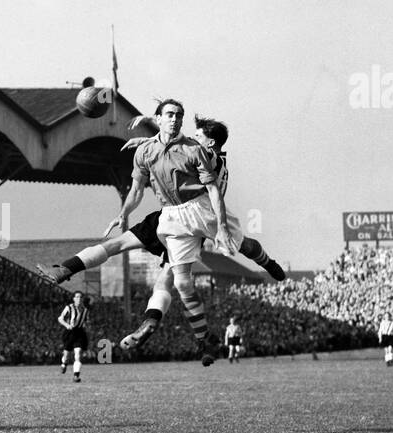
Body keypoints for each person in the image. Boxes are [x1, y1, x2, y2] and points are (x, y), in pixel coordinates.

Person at [114, 104, 284, 366]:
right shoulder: (210, 154)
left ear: (210, 141)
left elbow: (172, 145)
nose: (192, 136)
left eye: (198, 134)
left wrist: (146, 135)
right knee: (236, 250)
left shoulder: (204, 153)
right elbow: (170, 144)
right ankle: (266, 264)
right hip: (199, 219)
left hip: (200, 215)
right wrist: (149, 133)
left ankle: (155, 322)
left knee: (171, 279)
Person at [58, 291, 90, 382]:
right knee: (67, 355)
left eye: (80, 297)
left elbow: (86, 321)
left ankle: (76, 376)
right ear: (74, 298)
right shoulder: (69, 308)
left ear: (82, 299)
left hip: (79, 332)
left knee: (78, 354)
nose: (79, 299)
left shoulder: (85, 310)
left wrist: (87, 325)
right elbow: (60, 318)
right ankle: (64, 364)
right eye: (77, 297)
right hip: (69, 332)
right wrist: (66, 325)